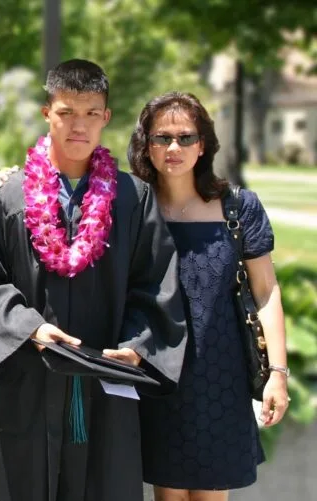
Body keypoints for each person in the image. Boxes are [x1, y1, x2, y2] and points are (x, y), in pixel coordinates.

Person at [0, 59, 188, 501]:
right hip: (32, 377)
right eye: (66, 112)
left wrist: (138, 347)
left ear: (106, 117)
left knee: (106, 484)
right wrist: (29, 327)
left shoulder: (132, 198)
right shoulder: (8, 196)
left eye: (90, 113)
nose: (78, 125)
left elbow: (157, 283)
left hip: (107, 377)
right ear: (47, 113)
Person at [129, 92, 289, 501]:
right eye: (162, 137)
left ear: (203, 145)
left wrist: (278, 374)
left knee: (211, 494)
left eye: (186, 137)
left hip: (223, 376)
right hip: (160, 375)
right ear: (147, 145)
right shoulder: (132, 208)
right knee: (168, 494)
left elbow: (266, 289)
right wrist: (5, 179)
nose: (174, 148)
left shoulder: (239, 207)